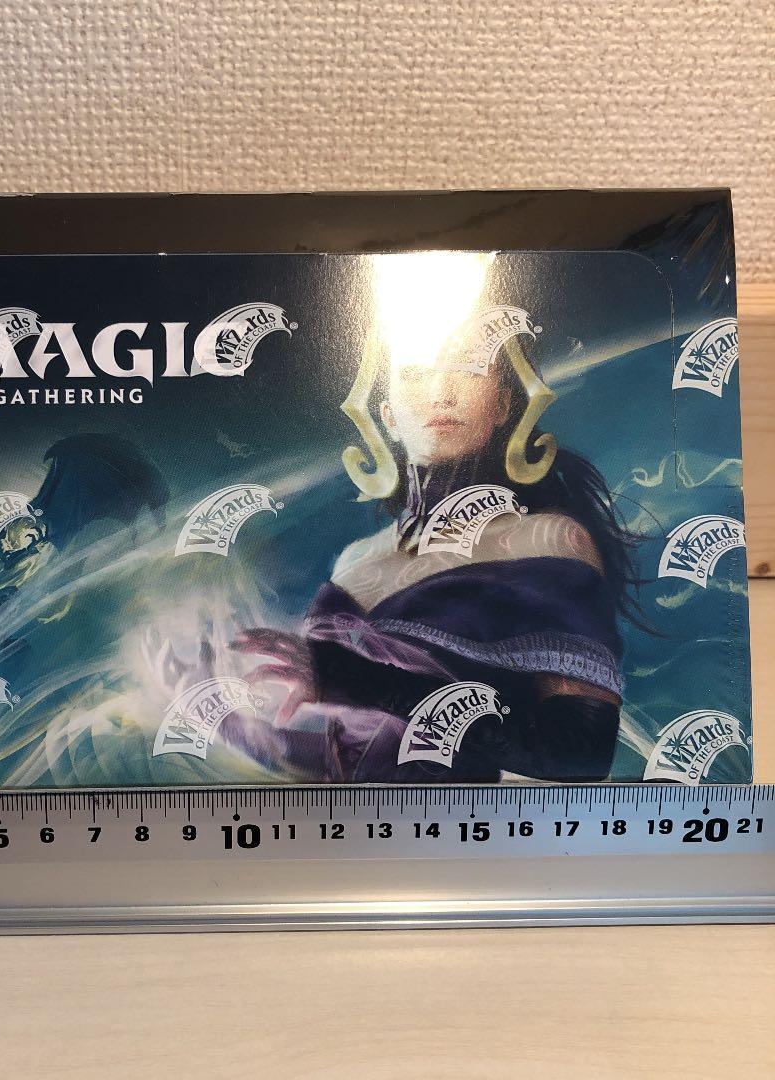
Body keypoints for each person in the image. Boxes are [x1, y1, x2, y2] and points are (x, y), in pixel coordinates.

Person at [222, 295, 640, 784]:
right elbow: (363, 757)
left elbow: (581, 755)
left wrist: (352, 678)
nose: (442, 392)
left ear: (503, 403)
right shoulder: (354, 562)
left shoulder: (548, 539)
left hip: (484, 828)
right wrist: (238, 728)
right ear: (387, 414)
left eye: (468, 367)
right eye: (416, 373)